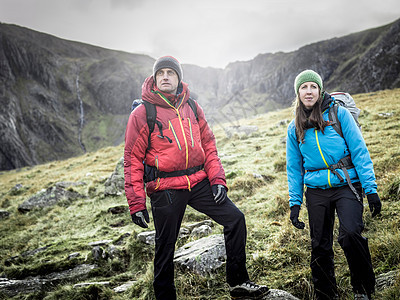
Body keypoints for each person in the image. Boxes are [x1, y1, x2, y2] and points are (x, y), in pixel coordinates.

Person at [124, 56, 269, 300]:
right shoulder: (142, 112)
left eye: (171, 72)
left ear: (179, 77)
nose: (166, 77)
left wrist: (218, 180)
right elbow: (132, 159)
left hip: (198, 182)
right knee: (165, 247)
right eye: (161, 73)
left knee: (235, 219)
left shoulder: (191, 106)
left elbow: (209, 145)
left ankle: (239, 283)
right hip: (165, 187)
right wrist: (136, 202)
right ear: (155, 78)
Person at [286, 70, 382, 300]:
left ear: (320, 90)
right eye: (304, 87)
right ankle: (326, 294)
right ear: (298, 93)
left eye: (313, 87)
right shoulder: (294, 127)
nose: (308, 91)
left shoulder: (339, 114)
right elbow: (294, 169)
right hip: (316, 191)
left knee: (350, 234)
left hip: (346, 184)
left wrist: (371, 190)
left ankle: (362, 289)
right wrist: (295, 203)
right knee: (320, 245)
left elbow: (360, 152)